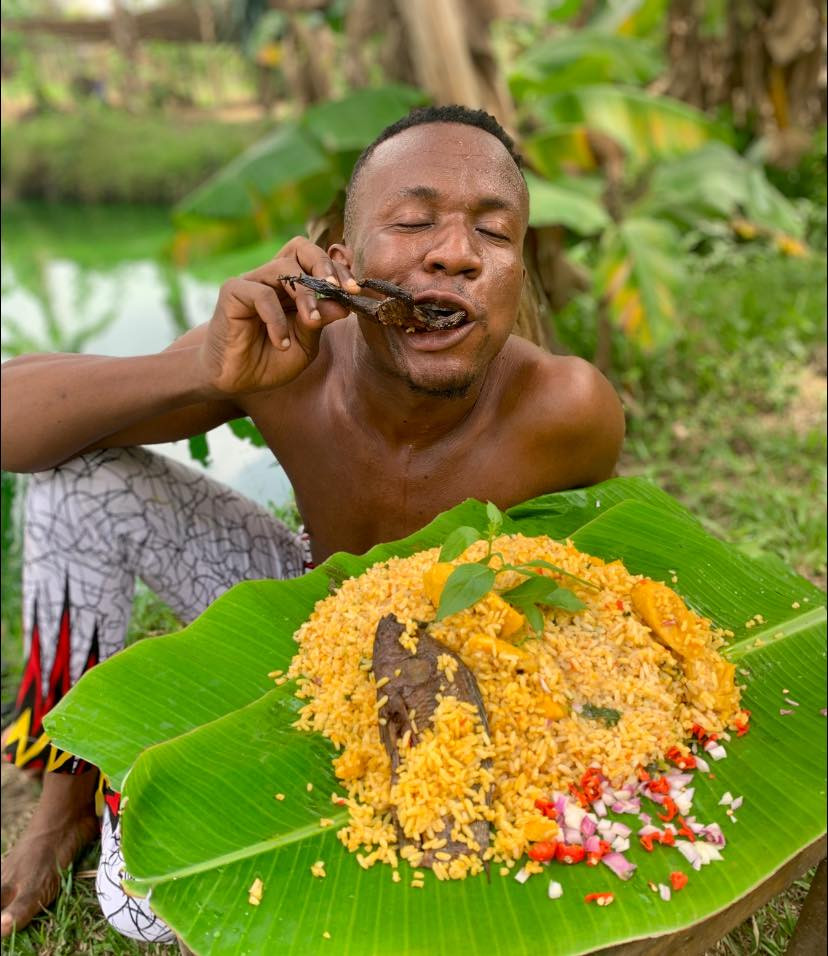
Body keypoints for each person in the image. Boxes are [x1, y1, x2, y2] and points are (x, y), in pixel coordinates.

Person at [0, 104, 624, 940]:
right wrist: (196, 368)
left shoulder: (566, 411)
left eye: (495, 232)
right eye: (412, 221)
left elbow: (565, 612)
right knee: (73, 486)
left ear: (516, 271)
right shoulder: (287, 360)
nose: (454, 252)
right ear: (343, 264)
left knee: (163, 913)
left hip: (441, 667)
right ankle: (65, 800)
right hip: (292, 612)